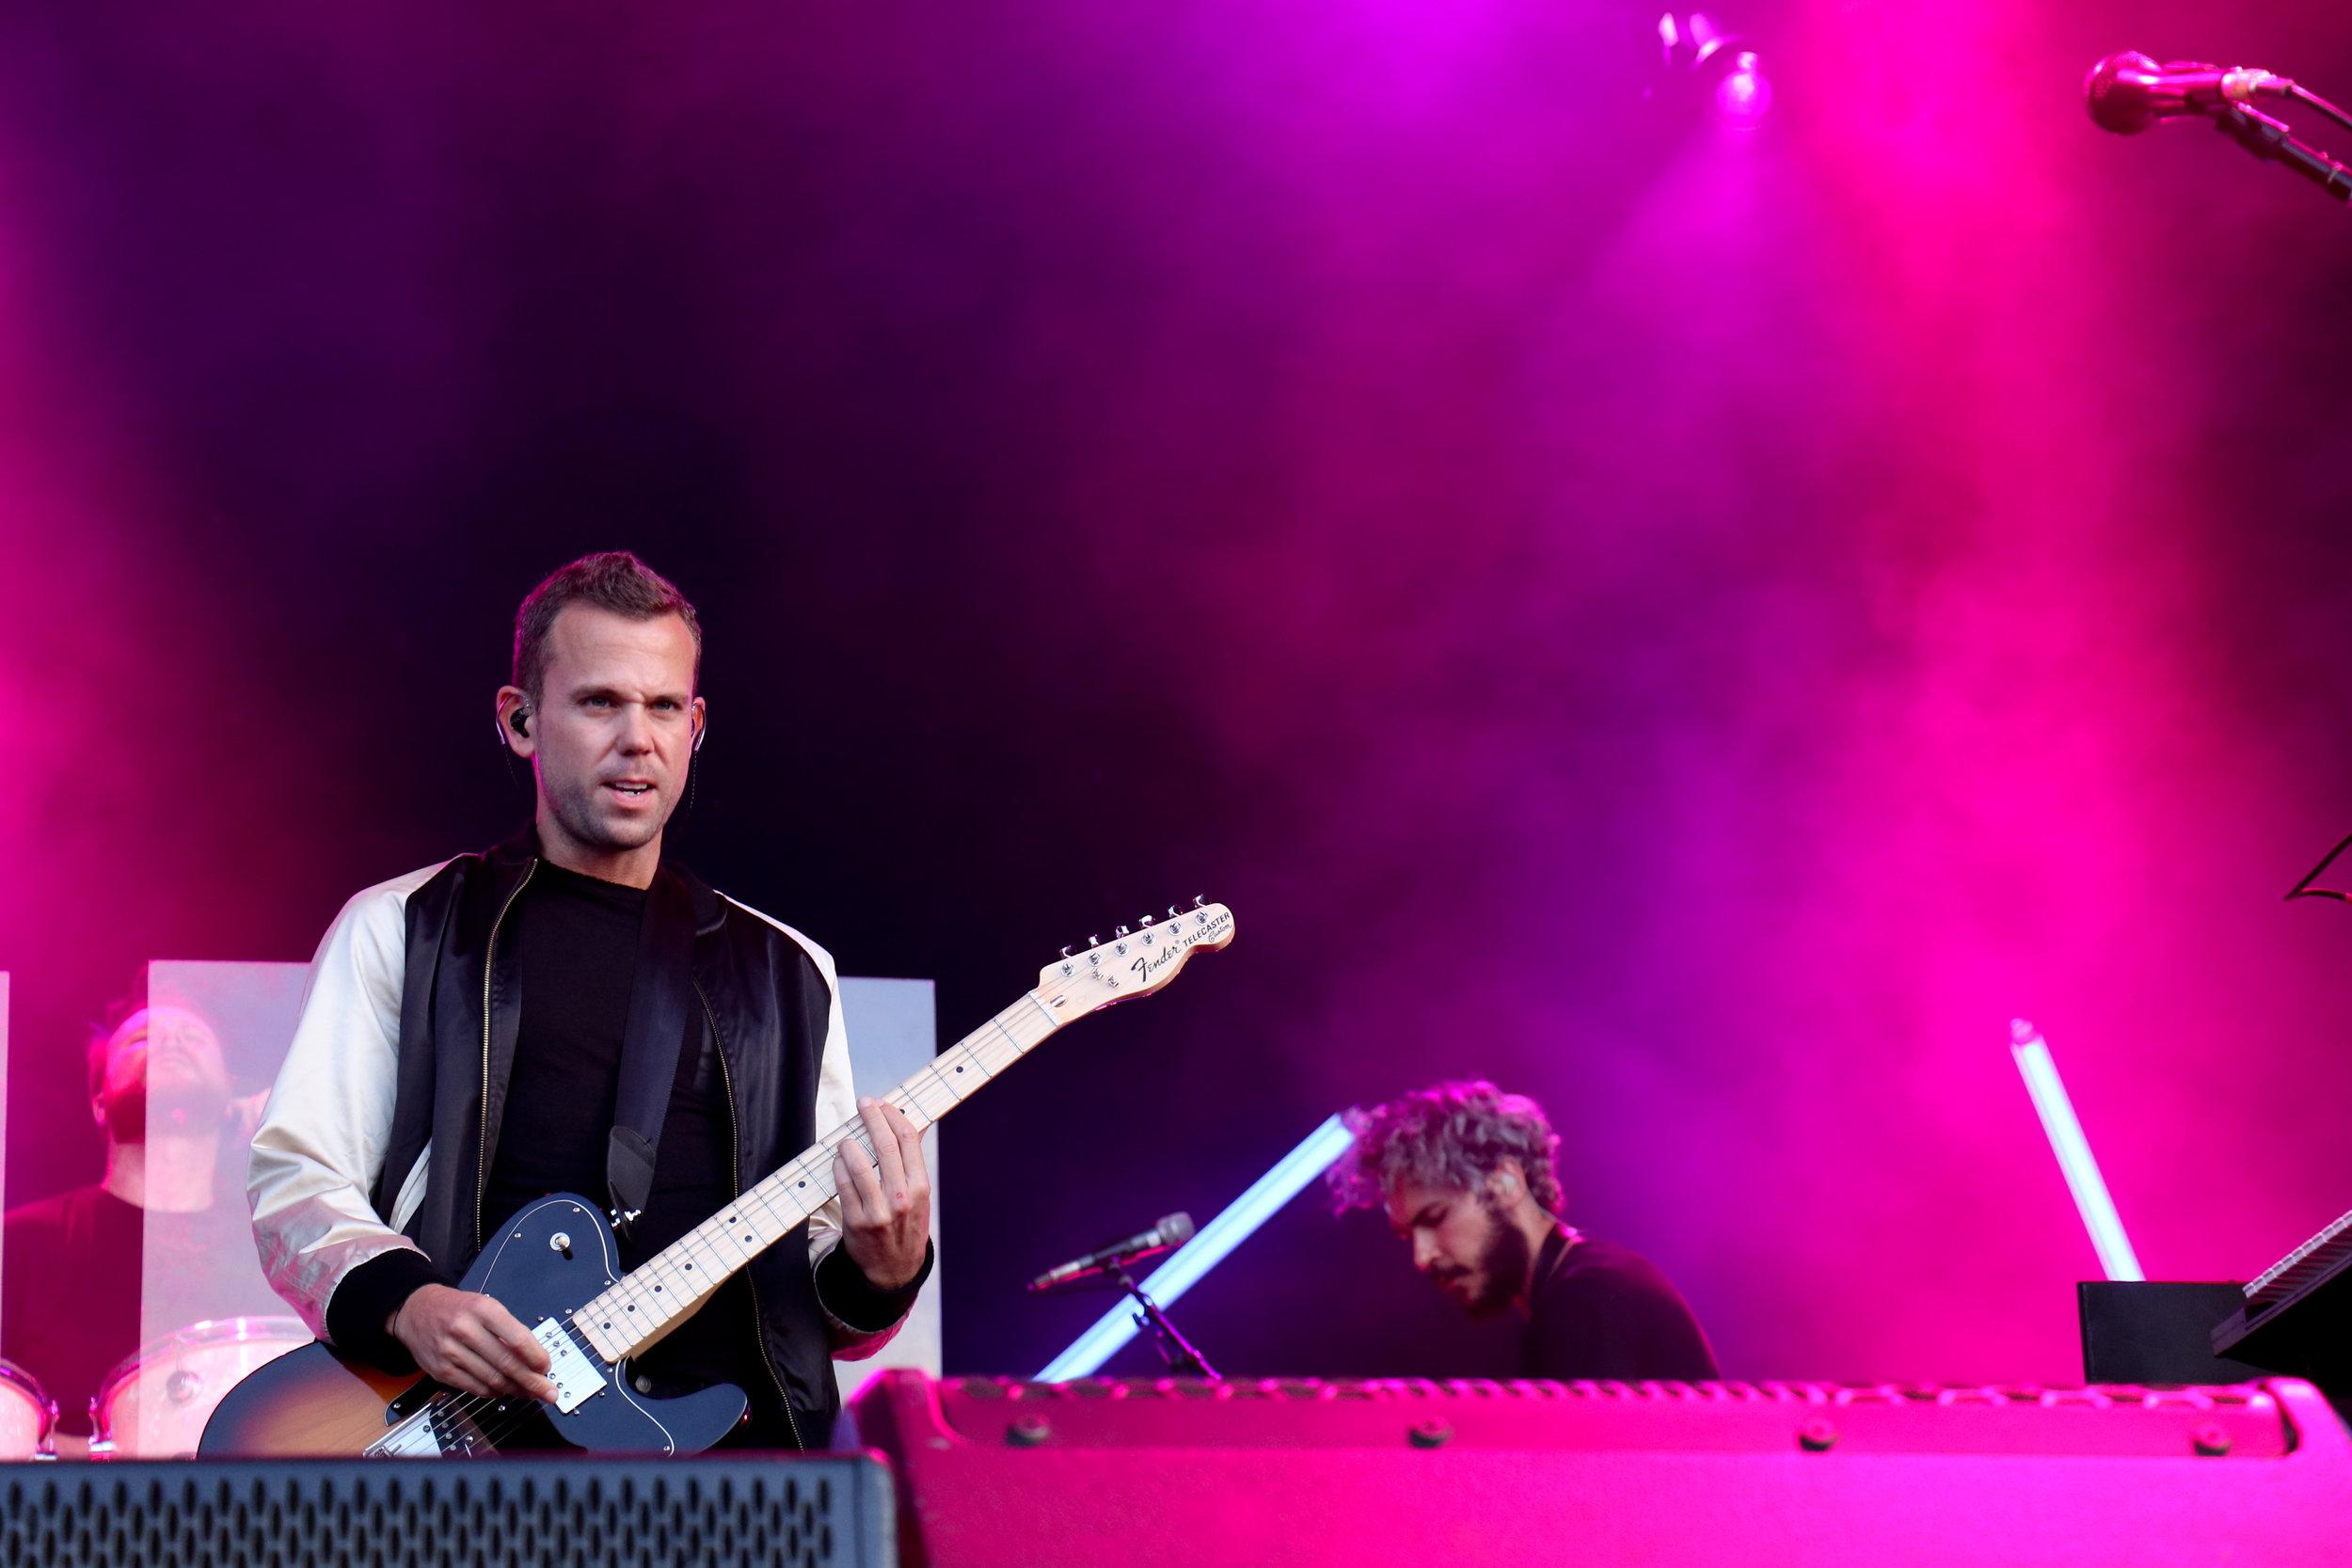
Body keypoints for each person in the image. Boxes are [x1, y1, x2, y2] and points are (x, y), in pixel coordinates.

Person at [247, 550, 931, 1449]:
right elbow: (300, 1182)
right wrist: (410, 1304)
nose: (637, 737)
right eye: (599, 701)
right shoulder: (405, 927)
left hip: (736, 1479)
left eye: (662, 707)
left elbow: (825, 1303)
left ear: (695, 726)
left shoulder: (787, 969)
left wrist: (884, 1271)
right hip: (475, 1457)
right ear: (521, 719)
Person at [1328, 1079, 1717, 1382]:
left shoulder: (1588, 1297)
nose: (1422, 1257)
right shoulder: (1588, 1281)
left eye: (1435, 1219)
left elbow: (1587, 1483)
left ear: (1508, 1183)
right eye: (1408, 1237)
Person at [1, 1003, 259, 1453]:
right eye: (142, 1040)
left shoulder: (273, 1251)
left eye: (192, 1037)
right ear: (99, 1103)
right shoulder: (19, 1243)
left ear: (229, 1101)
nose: (171, 1042)